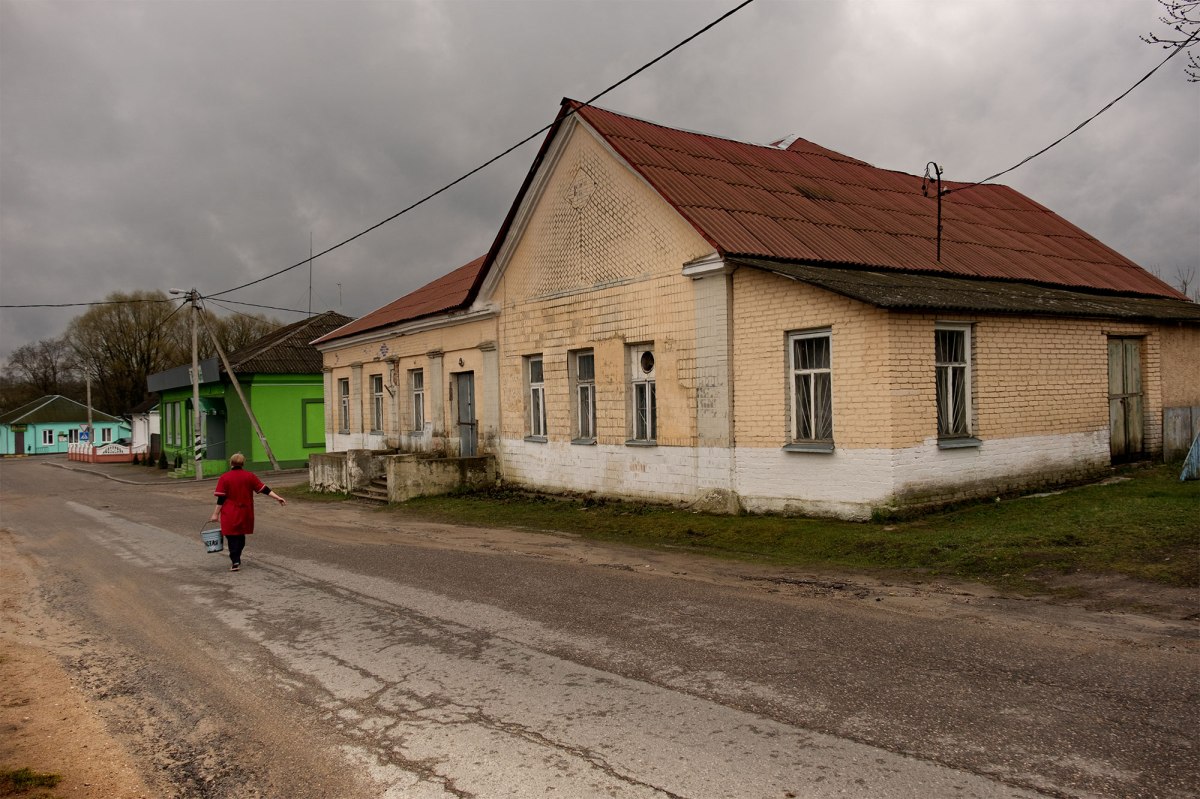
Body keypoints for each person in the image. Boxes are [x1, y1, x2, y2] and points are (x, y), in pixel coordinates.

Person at [209, 452, 286, 571]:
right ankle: (236, 557)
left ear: (231, 463)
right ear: (243, 463)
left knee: (232, 537)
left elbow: (221, 498)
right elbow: (264, 489)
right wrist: (277, 497)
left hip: (230, 512)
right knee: (240, 536)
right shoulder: (250, 476)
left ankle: (235, 560)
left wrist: (215, 514)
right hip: (246, 511)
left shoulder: (225, 477)